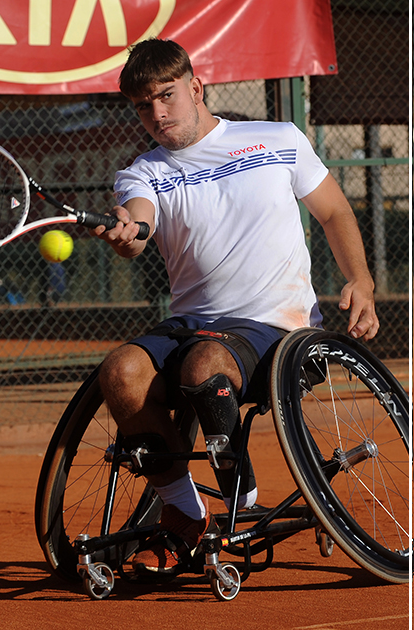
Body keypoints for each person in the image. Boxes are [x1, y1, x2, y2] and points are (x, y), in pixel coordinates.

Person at [91, 38, 378, 575]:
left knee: (205, 364)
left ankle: (240, 509)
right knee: (121, 371)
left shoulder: (276, 138)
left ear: (196, 87)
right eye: (142, 105)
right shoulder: (144, 170)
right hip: (193, 323)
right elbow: (138, 222)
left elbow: (335, 212)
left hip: (277, 327)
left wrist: (359, 280)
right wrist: (129, 232)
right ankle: (185, 510)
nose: (156, 113)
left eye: (167, 96)